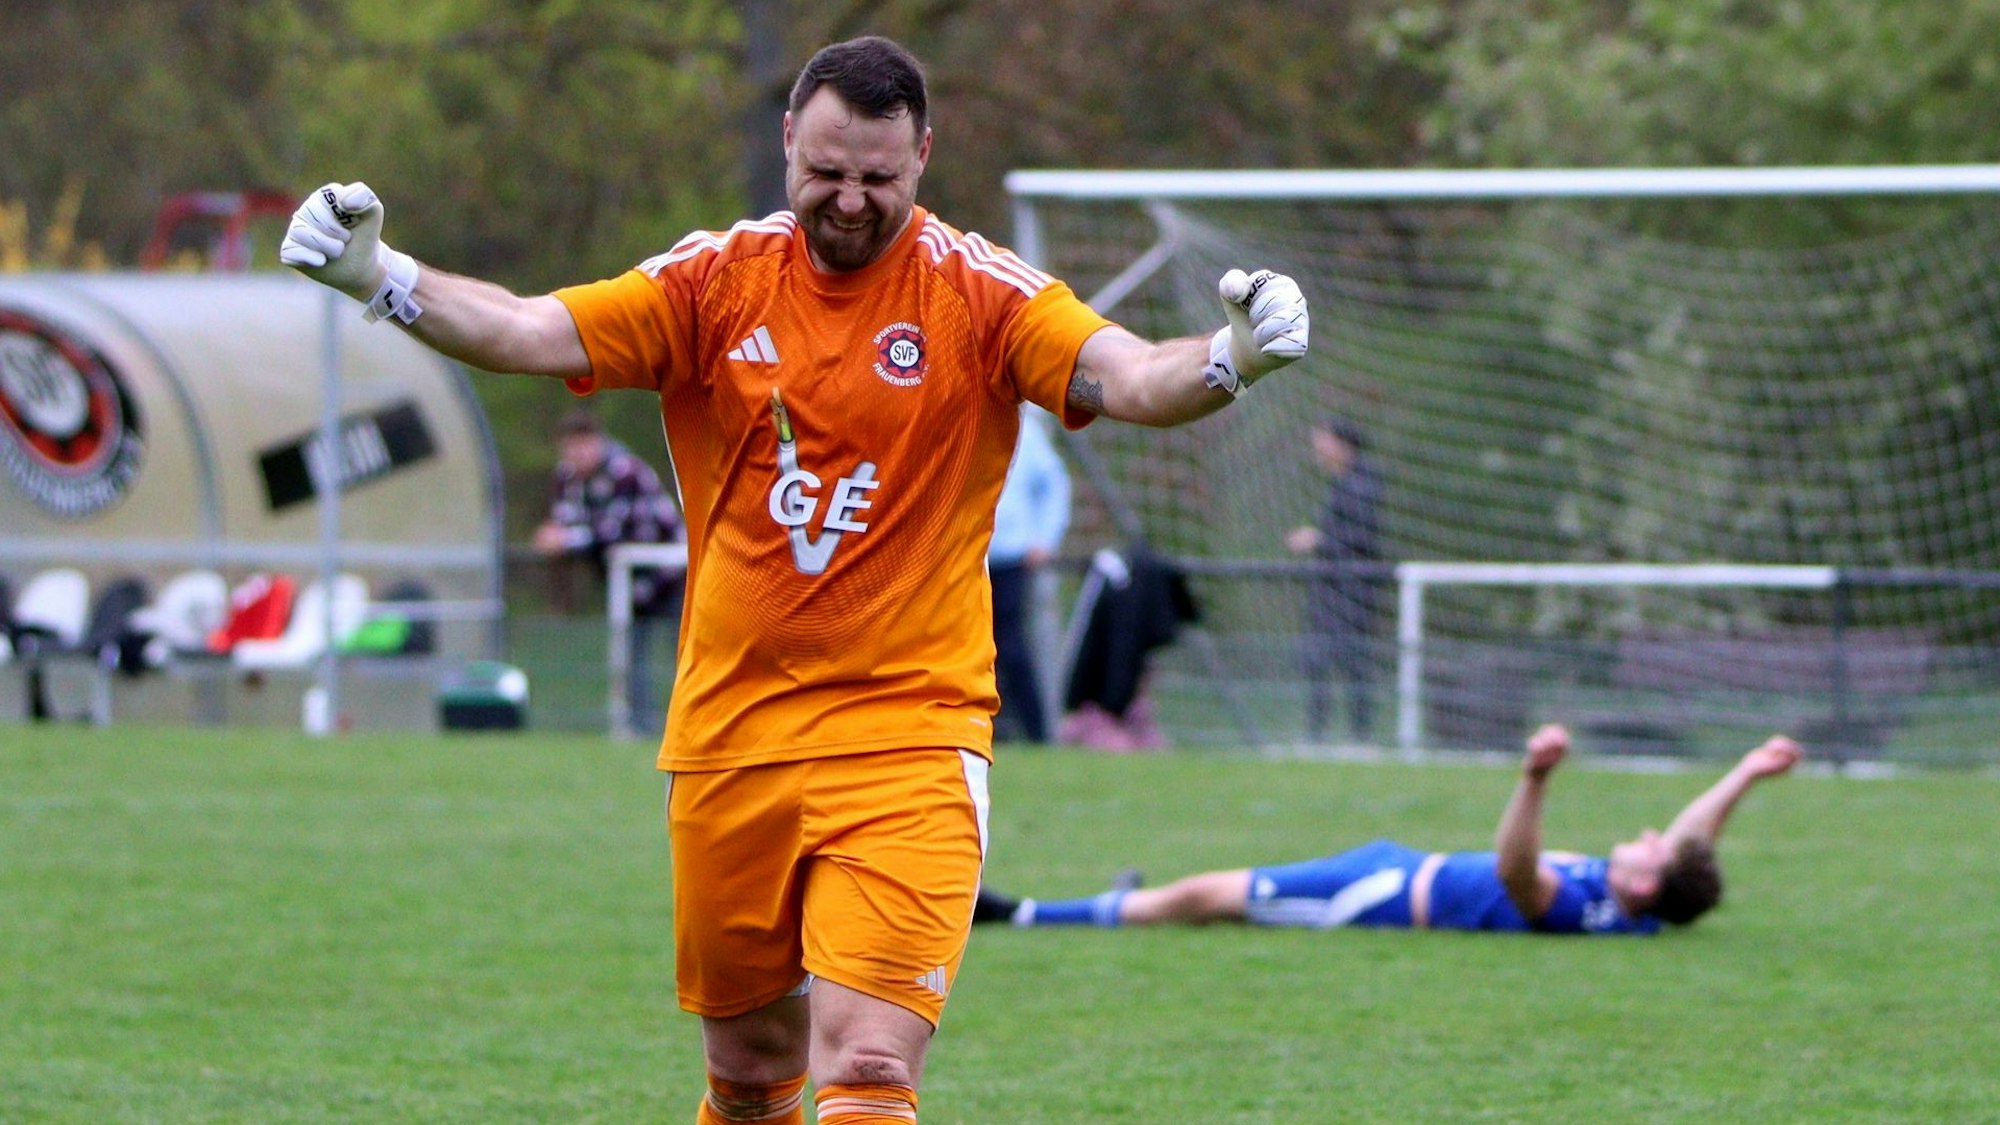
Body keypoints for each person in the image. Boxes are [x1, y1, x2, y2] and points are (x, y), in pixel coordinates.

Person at [278, 34, 1308, 1125]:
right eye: (826, 173)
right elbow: (530, 328)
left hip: (908, 737)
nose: (851, 201)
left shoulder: (981, 294)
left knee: (865, 1067)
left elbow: (1128, 374)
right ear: (785, 143)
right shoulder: (712, 283)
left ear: (922, 158)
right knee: (750, 1072)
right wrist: (381, 279)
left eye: (878, 177)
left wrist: (1223, 359)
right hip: (731, 741)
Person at [976, 724, 1802, 935]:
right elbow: (1695, 837)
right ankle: (1130, 903)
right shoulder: (1640, 904)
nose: (1654, 831)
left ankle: (1028, 913)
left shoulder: (1582, 908)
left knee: (1209, 893)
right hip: (1396, 866)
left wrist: (1534, 778)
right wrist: (1749, 772)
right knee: (1203, 892)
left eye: (1655, 849)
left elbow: (1518, 872)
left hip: (1373, 897)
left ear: (1647, 881)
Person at [532, 408, 685, 733]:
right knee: (630, 657)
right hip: (624, 581)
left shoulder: (624, 472)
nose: (576, 454)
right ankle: (637, 726)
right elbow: (566, 520)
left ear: (597, 442)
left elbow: (614, 531)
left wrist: (566, 539)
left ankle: (687, 725)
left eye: (582, 445)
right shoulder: (567, 478)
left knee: (683, 655)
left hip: (670, 573)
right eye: (570, 447)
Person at [1284, 414, 1384, 744]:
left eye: (1323, 437)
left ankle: (1357, 736)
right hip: (1333, 592)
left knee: (1350, 663)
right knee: (1320, 662)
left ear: (1343, 445)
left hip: (1350, 593)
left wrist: (1319, 540)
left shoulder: (1361, 484)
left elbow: (1361, 537)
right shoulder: (1346, 482)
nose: (1317, 444)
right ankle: (1320, 734)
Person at [987, 403, 1071, 743]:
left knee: (1009, 643)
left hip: (1009, 553)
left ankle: (1036, 730)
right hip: (968, 552)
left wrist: (1045, 538)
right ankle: (987, 725)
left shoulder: (1028, 433)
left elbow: (1055, 485)